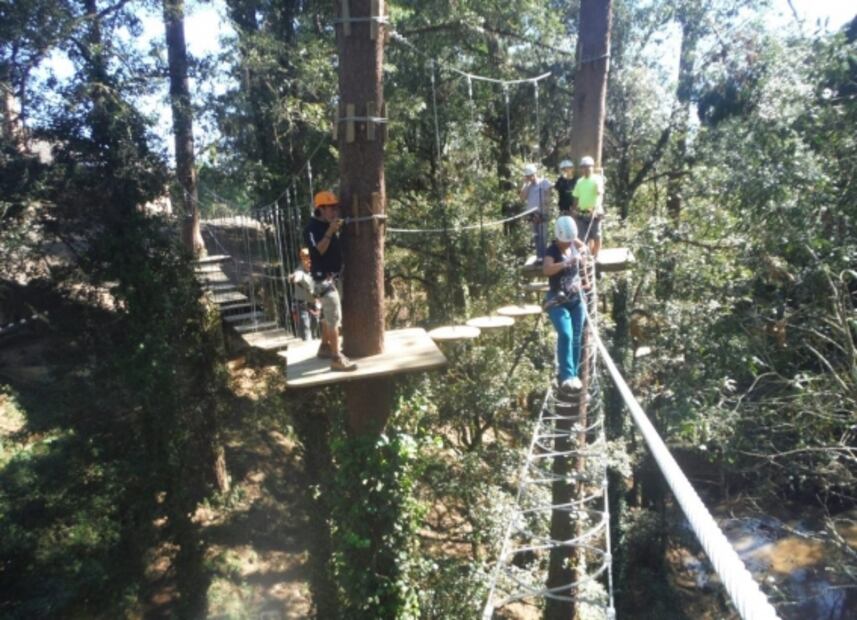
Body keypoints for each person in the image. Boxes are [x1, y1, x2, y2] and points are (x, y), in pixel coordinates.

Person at [304, 190, 357, 371]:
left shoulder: (328, 224)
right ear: (320, 209)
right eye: (331, 208)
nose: (335, 211)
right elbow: (318, 250)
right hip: (322, 280)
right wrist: (330, 231)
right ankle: (336, 357)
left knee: (329, 316)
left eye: (336, 208)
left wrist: (333, 229)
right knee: (334, 318)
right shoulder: (311, 228)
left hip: (333, 277)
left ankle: (325, 347)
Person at [543, 216, 589, 393]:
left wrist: (582, 252)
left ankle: (573, 375)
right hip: (557, 299)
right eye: (564, 240)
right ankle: (566, 376)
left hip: (576, 298)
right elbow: (547, 269)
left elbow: (583, 247)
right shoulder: (552, 250)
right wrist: (565, 263)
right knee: (566, 334)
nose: (567, 243)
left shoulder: (572, 243)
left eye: (569, 240)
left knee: (576, 336)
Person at [571, 155, 605, 257]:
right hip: (582, 212)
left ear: (592, 167)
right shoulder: (579, 182)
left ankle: (596, 254)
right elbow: (576, 197)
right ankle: (585, 255)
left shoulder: (597, 179)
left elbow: (599, 193)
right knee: (582, 236)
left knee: (596, 235)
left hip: (595, 211)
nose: (586, 169)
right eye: (584, 167)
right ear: (581, 169)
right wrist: (574, 211)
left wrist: (596, 208)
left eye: (588, 166)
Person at [519, 163, 553, 261]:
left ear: (535, 174)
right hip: (532, 215)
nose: (530, 178)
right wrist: (525, 184)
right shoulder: (528, 186)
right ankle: (539, 257)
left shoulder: (544, 182)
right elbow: (522, 197)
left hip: (542, 213)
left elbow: (548, 197)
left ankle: (544, 257)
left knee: (543, 236)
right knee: (536, 236)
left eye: (531, 175)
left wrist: (542, 211)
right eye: (528, 176)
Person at [288, 248, 319, 341]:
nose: (308, 259)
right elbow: (296, 276)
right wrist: (292, 278)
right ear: (301, 258)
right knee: (305, 330)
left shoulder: (315, 268)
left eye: (309, 256)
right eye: (305, 257)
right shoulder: (299, 270)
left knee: (314, 328)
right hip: (302, 305)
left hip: (314, 305)